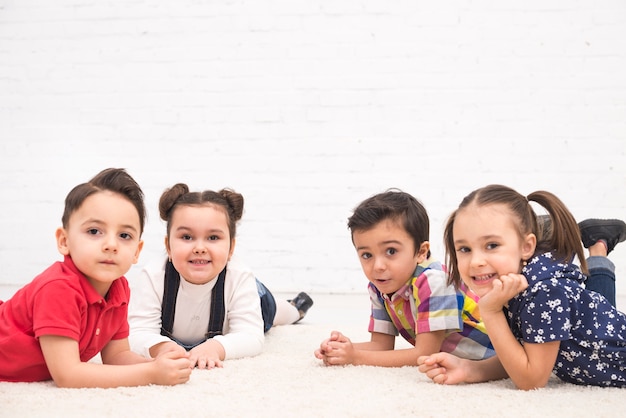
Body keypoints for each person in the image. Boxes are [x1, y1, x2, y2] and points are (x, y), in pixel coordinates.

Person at [418, 184, 626, 389]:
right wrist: (469, 369)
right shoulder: (512, 288)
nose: (475, 261)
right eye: (464, 249)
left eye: (492, 245)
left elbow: (531, 379)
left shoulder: (543, 293)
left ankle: (599, 251)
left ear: (527, 247)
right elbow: (521, 355)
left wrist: (491, 311)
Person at [0, 168, 192, 388]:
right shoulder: (58, 288)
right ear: (64, 241)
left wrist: (156, 363)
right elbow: (67, 375)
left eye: (124, 235)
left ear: (137, 251)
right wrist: (150, 373)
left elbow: (117, 357)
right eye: (94, 231)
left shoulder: (119, 288)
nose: (111, 245)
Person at [128, 184, 314, 369]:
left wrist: (215, 348)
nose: (199, 248)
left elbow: (251, 336)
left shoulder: (239, 276)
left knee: (272, 314)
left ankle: (294, 308)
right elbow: (137, 331)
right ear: (168, 246)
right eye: (187, 237)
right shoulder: (153, 276)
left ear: (231, 248)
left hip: (255, 299)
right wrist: (161, 347)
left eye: (213, 238)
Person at [314, 189, 495, 368]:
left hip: (494, 357)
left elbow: (425, 353)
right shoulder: (380, 286)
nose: (378, 266)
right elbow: (381, 345)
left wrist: (356, 357)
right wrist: (343, 350)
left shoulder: (434, 282)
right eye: (367, 255)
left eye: (391, 251)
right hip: (461, 362)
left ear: (420, 252)